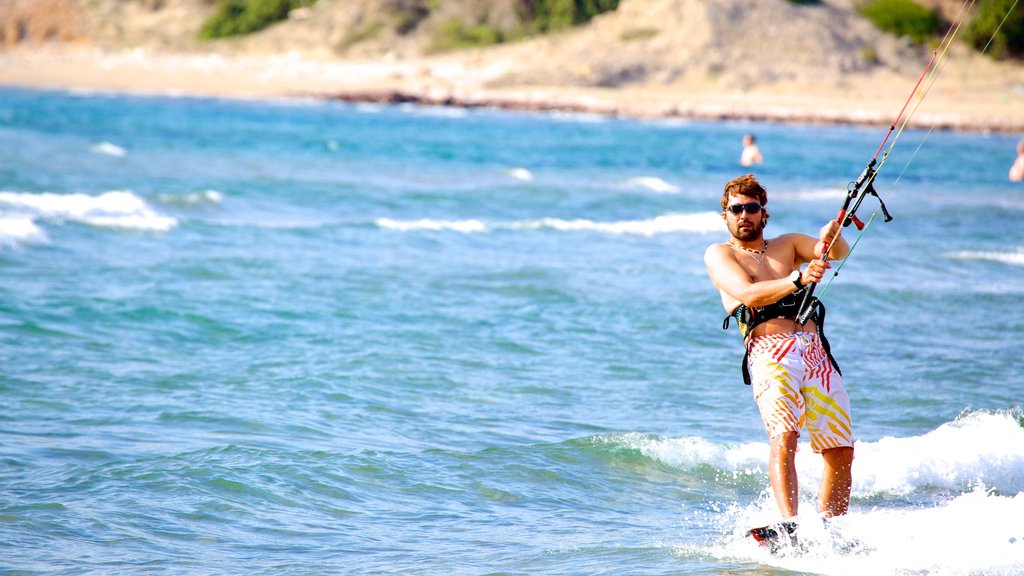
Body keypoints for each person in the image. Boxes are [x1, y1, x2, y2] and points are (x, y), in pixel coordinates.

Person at [703, 174, 854, 529]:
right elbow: (749, 294)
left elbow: (834, 252)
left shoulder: (786, 245)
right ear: (724, 215)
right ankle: (790, 524)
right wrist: (798, 279)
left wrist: (831, 234)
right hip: (770, 351)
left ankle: (830, 529)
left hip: (815, 351)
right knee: (784, 435)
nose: (744, 215)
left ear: (763, 213)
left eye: (751, 208)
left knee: (840, 447)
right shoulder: (719, 254)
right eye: (735, 209)